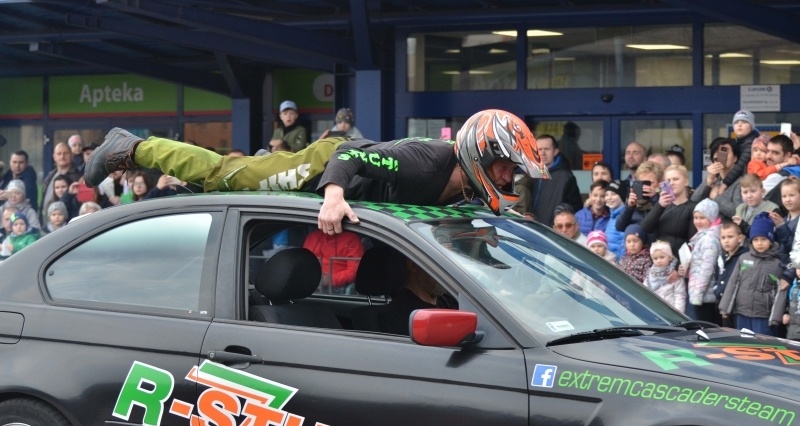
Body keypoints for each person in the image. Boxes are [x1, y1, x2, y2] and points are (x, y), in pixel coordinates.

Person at [83, 109, 547, 233]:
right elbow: (350, 158)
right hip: (325, 160)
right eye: (506, 167)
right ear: (481, 154)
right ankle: (136, 146)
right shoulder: (428, 160)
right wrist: (333, 196)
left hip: (346, 182)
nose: (508, 179)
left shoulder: (468, 189)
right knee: (230, 176)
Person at [719, 212, 782, 335]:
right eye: (756, 239)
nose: (759, 243)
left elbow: (780, 292)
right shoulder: (743, 258)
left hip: (764, 315)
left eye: (763, 239)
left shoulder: (777, 264)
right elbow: (733, 283)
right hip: (742, 312)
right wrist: (725, 307)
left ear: (771, 240)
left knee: (763, 347)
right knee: (744, 345)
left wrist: (776, 317)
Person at [512, 133, 581, 226]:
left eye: (546, 149)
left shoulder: (566, 177)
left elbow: (575, 207)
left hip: (553, 231)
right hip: (530, 228)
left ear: (555, 151)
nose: (542, 153)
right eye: (539, 149)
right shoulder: (529, 175)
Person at [380, 258, 454, 335]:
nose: (446, 273)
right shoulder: (400, 316)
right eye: (438, 266)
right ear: (413, 265)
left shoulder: (451, 299)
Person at [678, 199, 722, 323]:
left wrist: (697, 294)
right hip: (700, 293)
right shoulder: (701, 237)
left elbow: (707, 268)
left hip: (704, 295)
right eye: (695, 217)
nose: (697, 221)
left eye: (702, 218)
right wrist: (686, 269)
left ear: (711, 218)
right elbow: (698, 265)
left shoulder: (709, 239)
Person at [642, 164, 696, 257]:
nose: (671, 183)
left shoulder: (693, 208)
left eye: (676, 179)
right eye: (668, 180)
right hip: (660, 261)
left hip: (681, 261)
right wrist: (660, 206)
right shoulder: (661, 205)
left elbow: (692, 241)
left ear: (686, 181)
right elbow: (645, 227)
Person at [692, 137, 740, 220]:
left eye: (725, 152)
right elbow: (693, 202)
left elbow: (737, 212)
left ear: (735, 158)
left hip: (728, 230)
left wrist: (716, 197)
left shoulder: (740, 181)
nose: (721, 156)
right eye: (716, 153)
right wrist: (708, 181)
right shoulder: (714, 179)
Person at [303, 229, 365, 293]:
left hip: (338, 288)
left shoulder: (352, 239)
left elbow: (355, 271)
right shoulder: (313, 236)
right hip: (311, 284)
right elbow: (302, 264)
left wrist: (331, 280)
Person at [615, 161, 662, 239]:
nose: (645, 186)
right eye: (642, 183)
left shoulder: (663, 202)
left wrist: (654, 198)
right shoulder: (634, 202)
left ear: (659, 183)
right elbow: (620, 227)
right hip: (635, 248)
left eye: (650, 183)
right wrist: (629, 207)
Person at [713, 222, 747, 327]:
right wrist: (716, 290)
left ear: (740, 238)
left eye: (730, 237)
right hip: (721, 304)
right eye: (723, 238)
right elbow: (717, 277)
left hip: (737, 307)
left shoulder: (745, 257)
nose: (726, 241)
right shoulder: (722, 258)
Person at [771, 177, 800, 289]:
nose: (787, 199)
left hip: (791, 277)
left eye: (792, 195)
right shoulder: (784, 219)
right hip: (779, 270)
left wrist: (788, 276)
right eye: (784, 196)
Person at [645, 240, 685, 312]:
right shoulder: (650, 274)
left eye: (662, 257)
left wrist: (678, 313)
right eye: (655, 258)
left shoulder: (674, 275)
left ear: (669, 257)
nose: (659, 261)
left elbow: (679, 295)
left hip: (670, 311)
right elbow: (645, 291)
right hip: (653, 310)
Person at [42, 142, 81, 214]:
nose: (62, 157)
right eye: (59, 154)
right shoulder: (49, 176)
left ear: (72, 156)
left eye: (65, 153)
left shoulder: (78, 178)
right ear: (54, 157)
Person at [604, 181, 627, 256]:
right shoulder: (612, 215)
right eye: (606, 194)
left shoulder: (625, 217)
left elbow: (624, 245)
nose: (609, 198)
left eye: (613, 194)